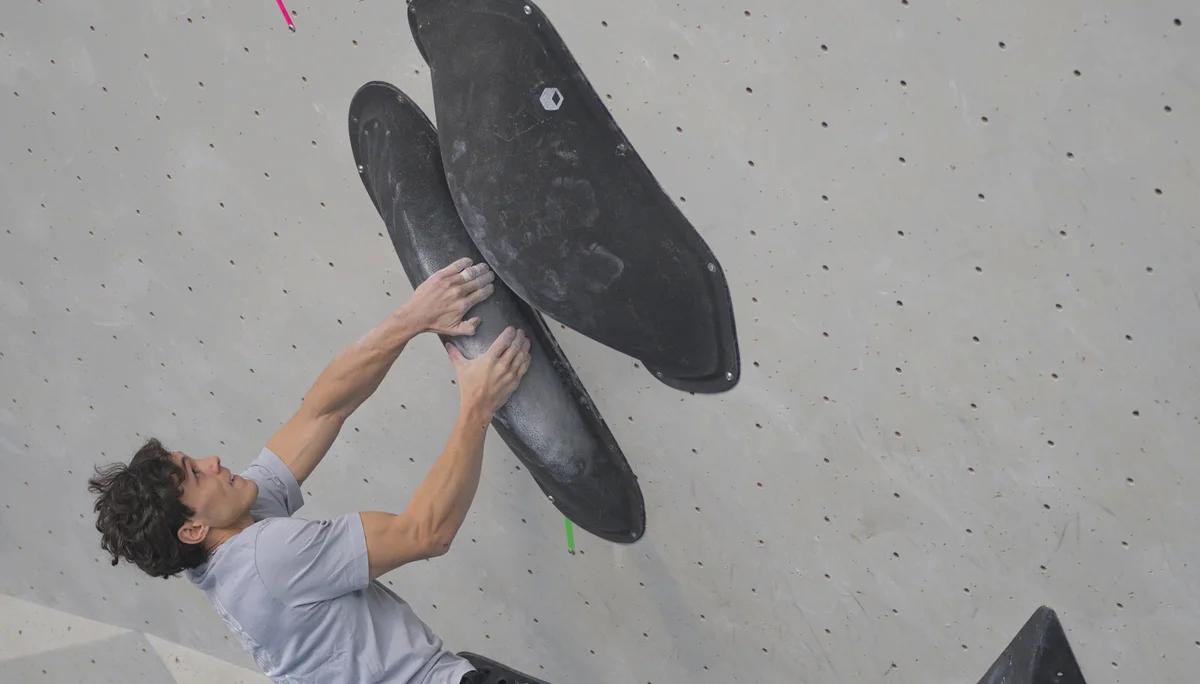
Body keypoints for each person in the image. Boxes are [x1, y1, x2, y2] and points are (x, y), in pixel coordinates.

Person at [87, 257, 532, 684]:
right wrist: (477, 407)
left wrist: (411, 318)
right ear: (192, 529)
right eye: (196, 474)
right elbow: (426, 533)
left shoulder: (225, 544)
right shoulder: (267, 558)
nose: (213, 462)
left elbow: (323, 411)